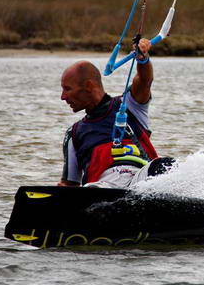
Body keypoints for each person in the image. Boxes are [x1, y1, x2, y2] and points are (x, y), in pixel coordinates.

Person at [59, 38, 171, 188]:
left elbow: (144, 81)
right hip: (103, 187)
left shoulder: (129, 106)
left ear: (88, 86)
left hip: (141, 183)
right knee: (94, 189)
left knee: (166, 164)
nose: (63, 97)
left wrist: (142, 60)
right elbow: (69, 185)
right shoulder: (74, 134)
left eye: (67, 89)